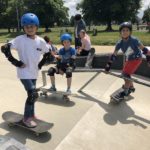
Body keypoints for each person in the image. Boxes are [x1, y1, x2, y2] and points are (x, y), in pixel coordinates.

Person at [1, 13, 50, 128]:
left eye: (32, 26)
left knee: (31, 95)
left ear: (36, 27)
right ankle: (26, 119)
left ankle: (31, 115)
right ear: (24, 28)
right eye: (27, 27)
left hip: (34, 72)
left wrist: (40, 65)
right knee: (32, 93)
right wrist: (16, 62)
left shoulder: (40, 41)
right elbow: (4, 48)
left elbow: (47, 54)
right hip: (24, 73)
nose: (29, 29)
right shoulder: (20, 39)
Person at [105, 22, 150, 102]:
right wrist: (108, 66)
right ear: (120, 32)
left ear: (130, 32)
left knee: (125, 74)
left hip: (136, 59)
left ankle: (125, 92)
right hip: (129, 59)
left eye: (127, 30)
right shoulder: (119, 43)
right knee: (126, 74)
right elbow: (114, 55)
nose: (125, 32)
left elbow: (144, 49)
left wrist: (148, 59)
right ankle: (131, 87)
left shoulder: (134, 40)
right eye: (123, 30)